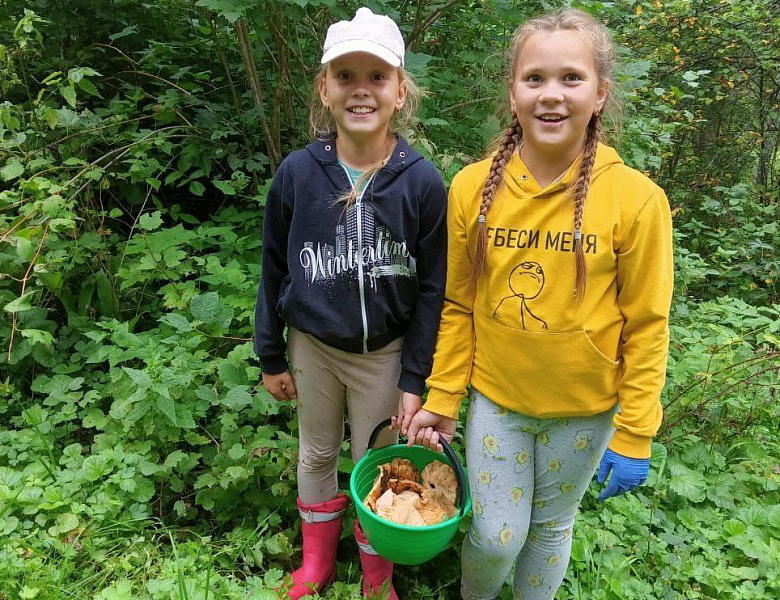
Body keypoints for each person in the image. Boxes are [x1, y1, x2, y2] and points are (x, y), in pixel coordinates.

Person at [399, 9, 673, 600]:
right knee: (497, 536)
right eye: (535, 79)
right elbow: (458, 302)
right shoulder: (473, 187)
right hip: (499, 400)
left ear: (601, 92)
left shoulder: (637, 200)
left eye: (572, 78)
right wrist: (444, 394)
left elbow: (648, 325)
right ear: (513, 91)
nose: (552, 95)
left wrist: (635, 431)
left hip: (586, 410)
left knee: (549, 530)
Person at [254, 7, 447, 599]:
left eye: (377, 76)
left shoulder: (421, 182)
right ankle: (315, 565)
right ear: (324, 88)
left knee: (379, 464)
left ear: (399, 90)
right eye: (345, 75)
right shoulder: (298, 174)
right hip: (312, 348)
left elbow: (436, 289)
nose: (361, 89)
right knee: (315, 452)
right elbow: (274, 264)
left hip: (383, 358)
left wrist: (417, 374)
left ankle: (374, 572)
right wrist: (270, 353)